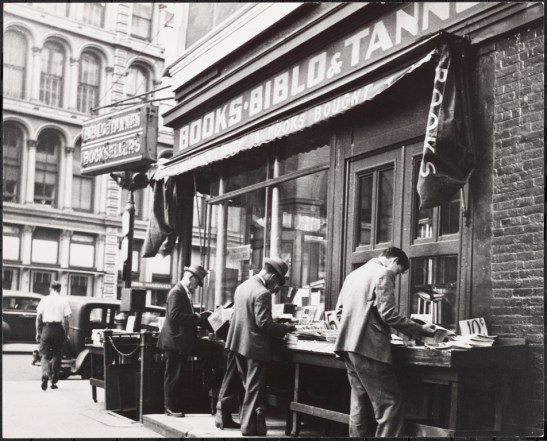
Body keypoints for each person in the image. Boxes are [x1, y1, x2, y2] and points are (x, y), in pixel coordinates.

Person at [333, 247, 437, 437]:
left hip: (347, 347)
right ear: (394, 261)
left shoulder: (353, 275)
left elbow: (338, 313)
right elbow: (388, 313)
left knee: (359, 403)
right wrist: (420, 330)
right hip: (368, 349)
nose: (397, 276)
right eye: (400, 272)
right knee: (390, 404)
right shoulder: (384, 273)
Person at [224, 256, 296, 436]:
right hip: (255, 347)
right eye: (276, 286)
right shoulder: (262, 292)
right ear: (273, 278)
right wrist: (286, 328)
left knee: (248, 386)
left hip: (238, 344)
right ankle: (248, 427)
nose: (274, 290)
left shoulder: (243, 286)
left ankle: (249, 423)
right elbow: (263, 323)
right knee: (254, 388)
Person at [157, 264, 220, 417]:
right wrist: (197, 318)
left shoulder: (183, 292)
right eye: (196, 283)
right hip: (175, 341)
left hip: (180, 340)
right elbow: (174, 316)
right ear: (191, 278)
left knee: (210, 349)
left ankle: (207, 381)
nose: (196, 287)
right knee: (173, 374)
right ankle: (169, 407)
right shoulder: (177, 292)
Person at [35, 281, 72, 391]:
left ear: (50, 288)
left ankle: (45, 373)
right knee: (57, 355)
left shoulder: (44, 299)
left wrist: (38, 332)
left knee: (45, 355)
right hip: (58, 329)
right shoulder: (63, 300)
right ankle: (54, 381)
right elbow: (66, 320)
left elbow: (38, 318)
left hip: (46, 328)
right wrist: (66, 334)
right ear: (60, 289)